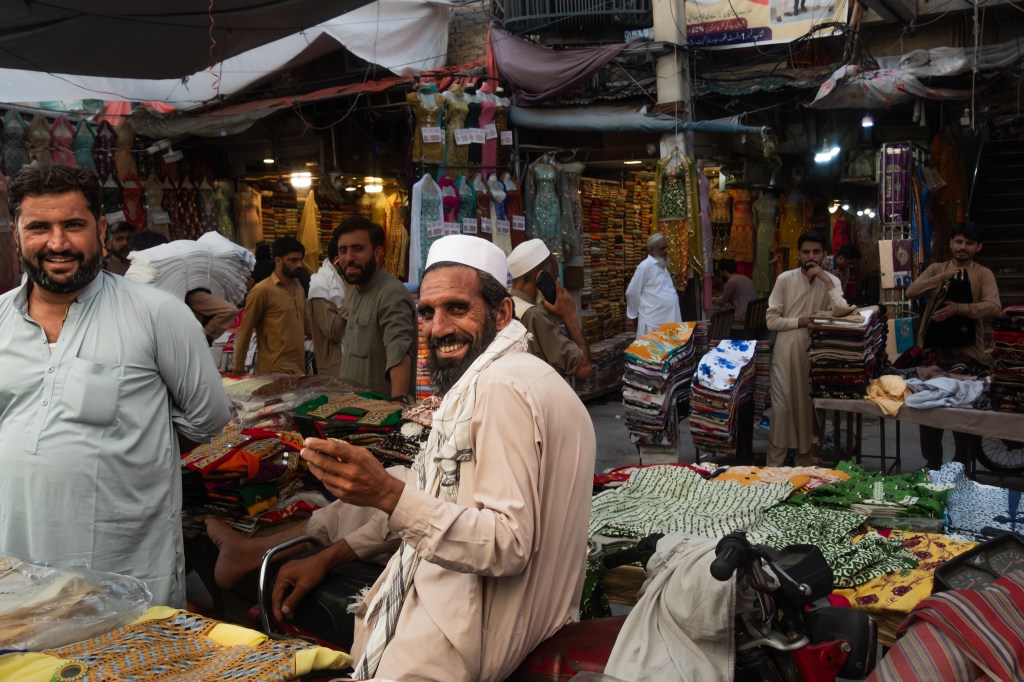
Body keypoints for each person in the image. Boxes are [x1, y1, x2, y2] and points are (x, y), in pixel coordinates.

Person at [208, 234, 596, 681]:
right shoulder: (515, 376)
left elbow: (507, 544)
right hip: (489, 618)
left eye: (457, 308)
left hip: (461, 639)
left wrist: (388, 494)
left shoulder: (500, 387)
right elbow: (448, 501)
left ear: (502, 312)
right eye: (428, 313)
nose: (438, 328)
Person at [0, 164, 230, 607]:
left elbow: (209, 421)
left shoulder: (158, 314)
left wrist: (126, 462)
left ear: (100, 230)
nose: (58, 242)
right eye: (39, 227)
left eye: (73, 225)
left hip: (124, 563)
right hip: (17, 565)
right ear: (16, 234)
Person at [905, 222, 1001, 469]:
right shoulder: (937, 269)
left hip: (968, 354)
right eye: (958, 241)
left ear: (978, 247)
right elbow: (911, 292)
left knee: (965, 413)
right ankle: (932, 463)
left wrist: (960, 309)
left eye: (969, 243)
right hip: (932, 353)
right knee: (928, 411)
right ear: (951, 244)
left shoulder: (983, 274)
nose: (962, 247)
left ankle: (961, 464)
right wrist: (940, 277)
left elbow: (994, 306)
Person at [766, 231, 848, 467]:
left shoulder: (832, 282)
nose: (810, 256)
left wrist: (824, 278)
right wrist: (800, 321)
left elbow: (842, 311)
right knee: (781, 412)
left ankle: (805, 471)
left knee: (808, 415)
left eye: (816, 251)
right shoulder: (785, 279)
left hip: (815, 357)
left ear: (824, 254)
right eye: (806, 252)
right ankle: (773, 471)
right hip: (785, 354)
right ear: (798, 254)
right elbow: (771, 321)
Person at [336, 216, 417, 400]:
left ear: (377, 253)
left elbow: (399, 351)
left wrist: (398, 404)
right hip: (352, 412)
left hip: (379, 419)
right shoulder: (356, 291)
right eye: (343, 250)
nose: (349, 258)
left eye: (358, 249)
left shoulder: (390, 293)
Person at [506, 238, 592, 379]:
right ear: (541, 277)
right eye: (554, 278)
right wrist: (569, 317)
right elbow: (584, 368)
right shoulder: (533, 315)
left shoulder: (504, 304)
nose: (557, 284)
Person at [232, 236, 312, 376]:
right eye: (293, 260)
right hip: (273, 372)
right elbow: (245, 330)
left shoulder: (299, 288)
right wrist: (238, 369)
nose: (299, 264)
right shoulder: (262, 291)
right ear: (278, 261)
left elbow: (307, 326)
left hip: (299, 370)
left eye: (300, 259)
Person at [307, 225, 348, 376]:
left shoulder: (343, 280)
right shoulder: (320, 285)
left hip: (352, 365)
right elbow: (333, 332)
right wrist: (351, 295)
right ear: (337, 260)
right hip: (335, 367)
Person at [625, 232, 682, 336]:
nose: (666, 251)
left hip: (669, 319)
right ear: (651, 250)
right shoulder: (645, 266)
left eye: (666, 248)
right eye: (662, 248)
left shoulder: (662, 265)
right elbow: (632, 292)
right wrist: (633, 315)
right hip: (654, 323)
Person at [713, 259, 757, 328]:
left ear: (725, 272)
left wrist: (711, 299)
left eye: (721, 273)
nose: (720, 276)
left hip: (742, 317)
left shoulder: (731, 282)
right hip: (751, 315)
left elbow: (721, 302)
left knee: (714, 314)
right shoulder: (745, 278)